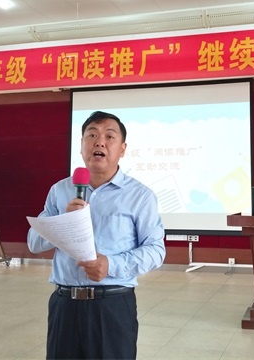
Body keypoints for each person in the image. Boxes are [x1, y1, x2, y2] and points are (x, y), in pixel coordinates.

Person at [28, 110, 166, 360]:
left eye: (109, 136)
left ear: (122, 149)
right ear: (82, 145)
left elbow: (156, 250)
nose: (99, 142)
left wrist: (111, 264)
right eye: (91, 135)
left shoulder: (140, 196)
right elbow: (33, 243)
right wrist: (62, 221)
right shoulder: (60, 190)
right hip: (64, 305)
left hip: (112, 306)